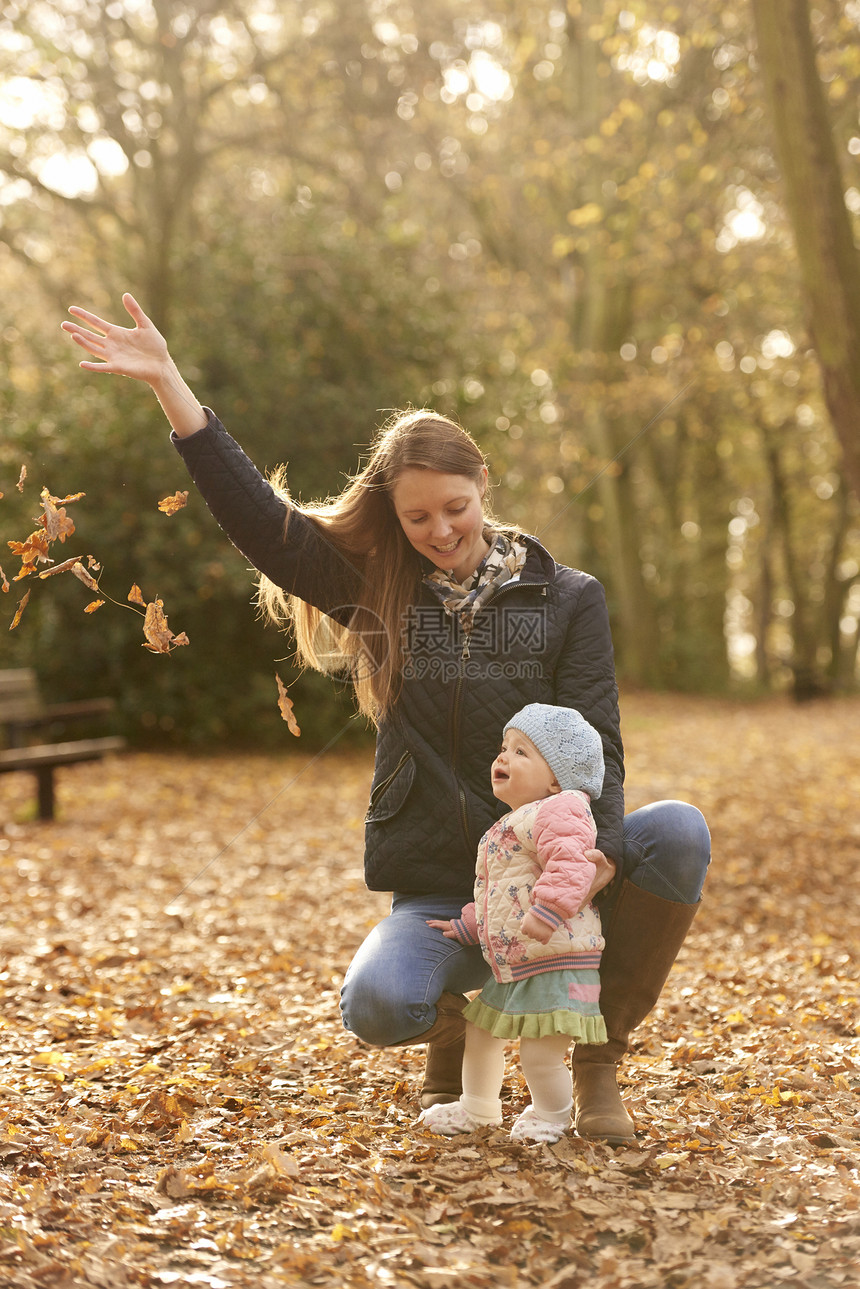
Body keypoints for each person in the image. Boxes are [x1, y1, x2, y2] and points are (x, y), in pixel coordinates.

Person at [61, 294, 711, 1144]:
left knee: (679, 833)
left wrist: (598, 857)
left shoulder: (567, 597)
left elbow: (598, 744)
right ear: (395, 517)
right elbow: (264, 524)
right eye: (417, 517)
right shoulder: (380, 591)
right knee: (377, 1003)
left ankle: (594, 1059)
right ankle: (455, 1032)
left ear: (484, 486)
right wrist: (172, 389)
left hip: (549, 862)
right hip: (446, 884)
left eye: (456, 507)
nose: (440, 529)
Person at [420, 703, 607, 1144]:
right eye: (504, 747)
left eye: (521, 752)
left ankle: (553, 1115)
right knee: (480, 1031)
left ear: (558, 777)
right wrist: (467, 925)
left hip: (558, 960)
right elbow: (499, 891)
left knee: (541, 1054)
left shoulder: (561, 809)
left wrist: (548, 911)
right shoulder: (515, 820)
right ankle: (478, 1108)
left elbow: (572, 865)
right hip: (519, 962)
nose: (502, 758)